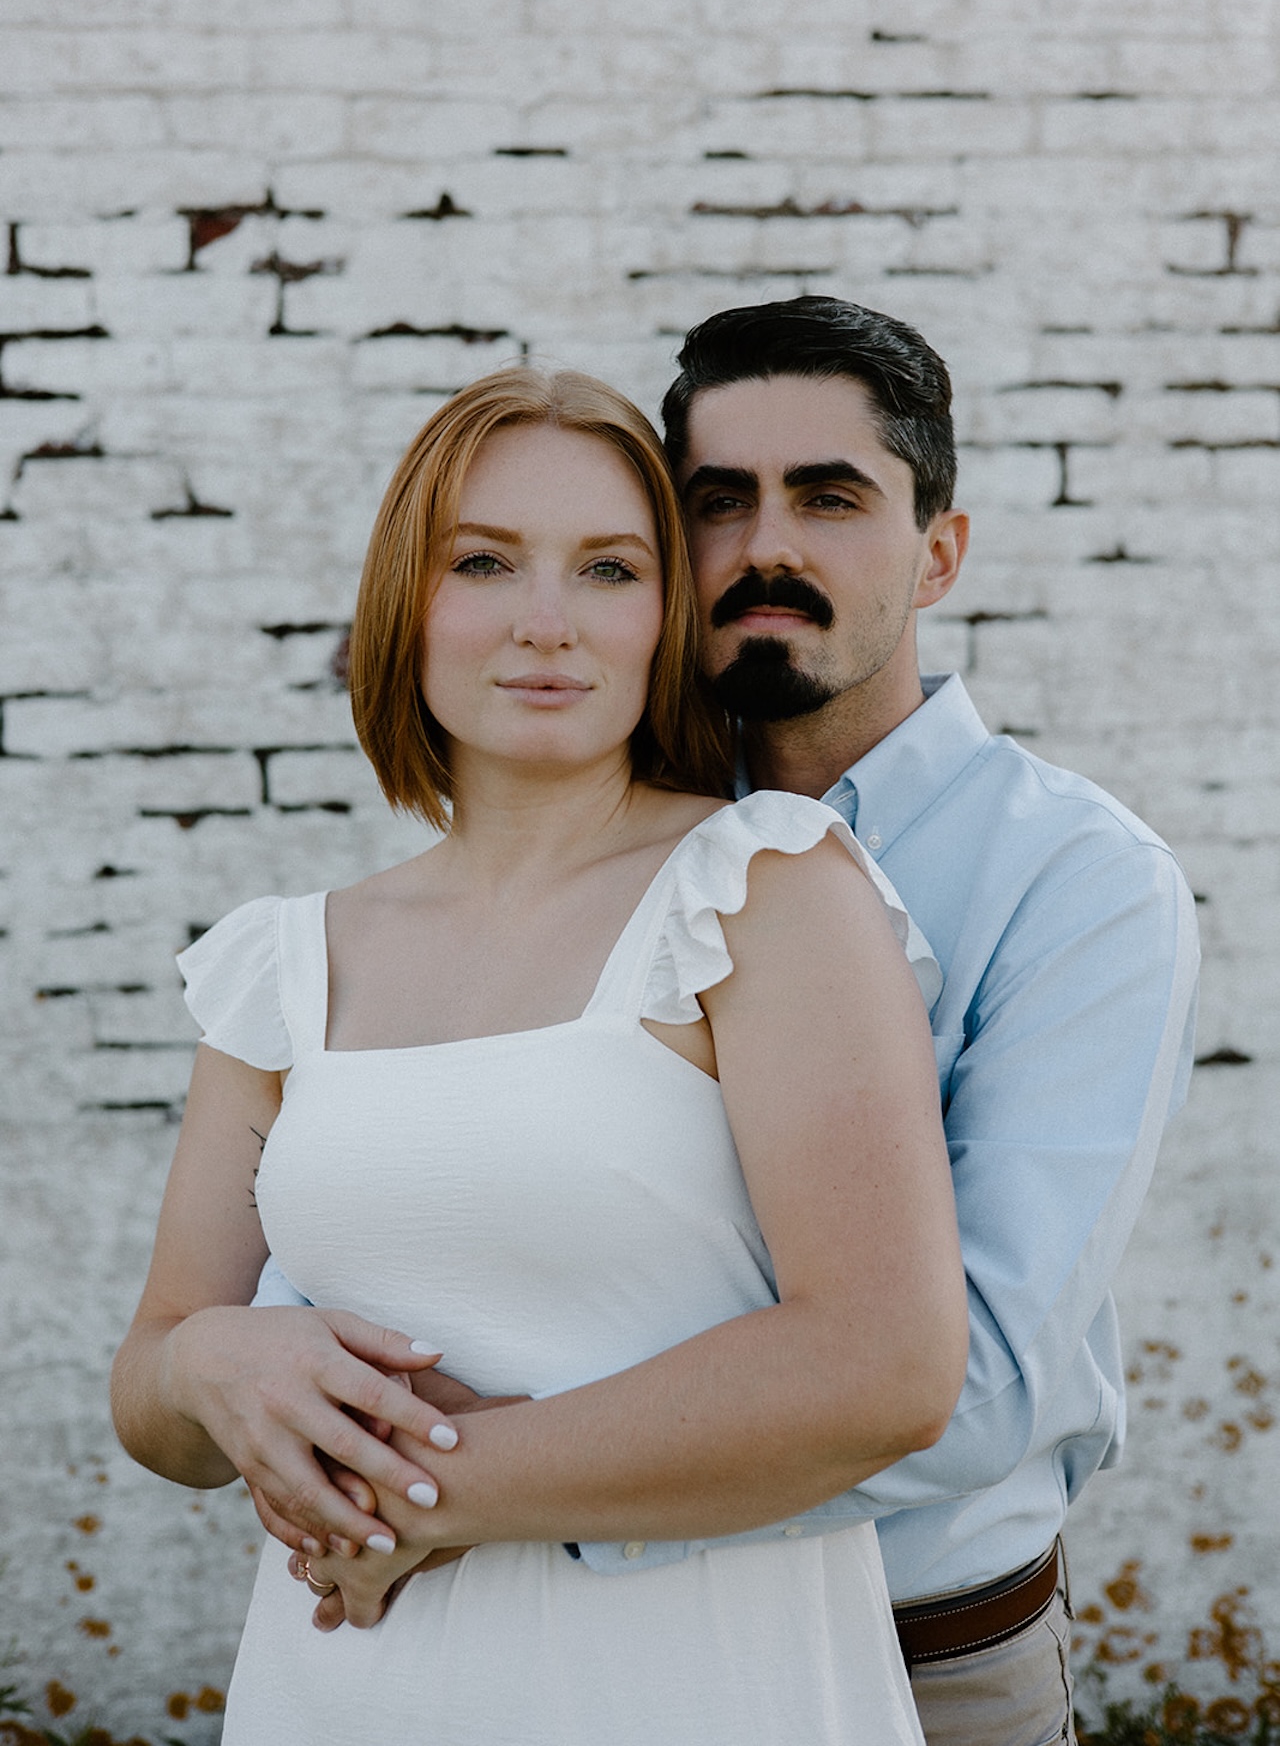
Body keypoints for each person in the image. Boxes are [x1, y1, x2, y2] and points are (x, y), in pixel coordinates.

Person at [259, 298, 1200, 1746]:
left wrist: (449, 1488)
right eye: (718, 502)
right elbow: (366, 1263)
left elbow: (976, 1383)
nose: (768, 548)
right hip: (514, 1637)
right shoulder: (581, 847)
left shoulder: (1078, 881)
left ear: (939, 552)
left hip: (919, 1661)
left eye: (831, 498)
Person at [111, 366, 968, 1744]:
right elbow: (154, 1393)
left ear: (666, 618)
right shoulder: (286, 961)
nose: (546, 622)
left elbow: (888, 1367)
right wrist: (210, 1359)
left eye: (610, 570)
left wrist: (418, 1494)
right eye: (484, 562)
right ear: (408, 601)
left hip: (689, 1690)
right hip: (346, 1690)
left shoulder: (762, 889)